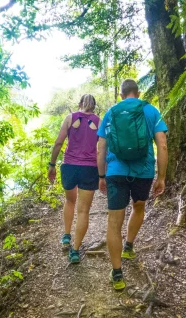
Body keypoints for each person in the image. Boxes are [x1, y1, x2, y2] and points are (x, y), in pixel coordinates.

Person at [97, 79, 167, 291]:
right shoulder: (151, 110)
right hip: (143, 172)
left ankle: (117, 274)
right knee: (138, 207)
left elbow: (101, 148)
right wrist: (161, 176)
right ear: (138, 92)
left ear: (121, 95)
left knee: (114, 221)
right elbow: (162, 144)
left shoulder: (111, 112)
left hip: (116, 172)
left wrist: (101, 176)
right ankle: (128, 246)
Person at [48, 94, 100, 264]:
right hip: (89, 168)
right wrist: (103, 174)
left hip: (70, 166)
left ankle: (66, 235)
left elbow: (58, 143)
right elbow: (102, 148)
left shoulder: (70, 118)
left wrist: (52, 165)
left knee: (70, 201)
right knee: (83, 211)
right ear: (94, 106)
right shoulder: (98, 121)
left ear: (79, 104)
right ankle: (75, 250)